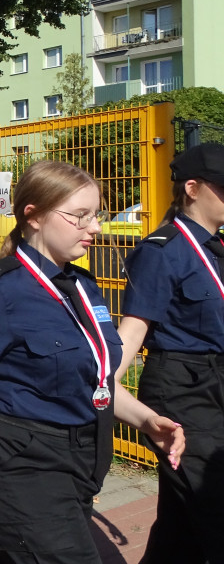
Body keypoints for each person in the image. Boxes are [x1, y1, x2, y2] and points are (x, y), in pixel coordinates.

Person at [0, 160, 184, 564]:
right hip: (22, 463)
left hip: (81, 461)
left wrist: (145, 419)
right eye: (80, 216)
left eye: (96, 215)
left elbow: (94, 379)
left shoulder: (84, 286)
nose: (94, 228)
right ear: (34, 216)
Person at [116, 142, 224, 564]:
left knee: (183, 519)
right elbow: (135, 328)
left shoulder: (215, 248)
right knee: (213, 501)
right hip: (182, 389)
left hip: (215, 383)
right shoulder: (161, 251)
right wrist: (104, 382)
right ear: (193, 189)